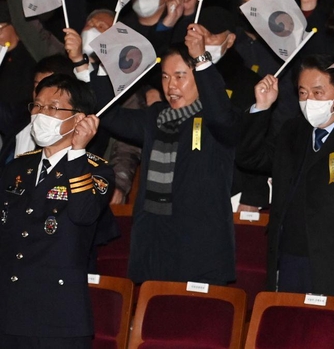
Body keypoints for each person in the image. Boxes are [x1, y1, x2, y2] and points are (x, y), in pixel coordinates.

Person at [93, 25, 240, 284]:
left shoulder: (216, 119)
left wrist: (202, 59)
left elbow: (221, 114)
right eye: (165, 77)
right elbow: (109, 114)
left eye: (180, 76)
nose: (171, 85)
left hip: (198, 250)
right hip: (154, 243)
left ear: (199, 77)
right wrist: (104, 66)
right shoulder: (156, 117)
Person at [237, 56, 334, 300]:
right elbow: (250, 158)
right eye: (303, 93)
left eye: (318, 93)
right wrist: (262, 107)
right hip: (290, 256)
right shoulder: (292, 130)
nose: (309, 101)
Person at [0, 74, 112, 348]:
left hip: (57, 315)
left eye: (53, 107)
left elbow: (83, 215)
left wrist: (77, 152)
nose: (41, 114)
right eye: (37, 106)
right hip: (8, 309)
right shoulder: (16, 168)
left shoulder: (95, 170)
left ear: (79, 119)